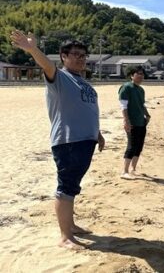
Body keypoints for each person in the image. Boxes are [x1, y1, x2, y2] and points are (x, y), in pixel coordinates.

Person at [10, 30, 105, 250]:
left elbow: (89, 110)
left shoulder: (84, 83)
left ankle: (70, 225)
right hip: (68, 142)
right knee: (66, 187)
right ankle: (65, 237)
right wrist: (32, 48)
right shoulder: (60, 77)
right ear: (63, 56)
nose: (80, 58)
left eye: (83, 55)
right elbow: (45, 65)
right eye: (75, 54)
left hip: (86, 140)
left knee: (73, 186)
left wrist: (98, 134)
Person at [119, 66, 150, 179]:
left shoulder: (141, 90)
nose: (141, 76)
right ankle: (125, 171)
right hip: (132, 122)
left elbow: (142, 104)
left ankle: (133, 169)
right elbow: (123, 105)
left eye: (142, 74)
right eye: (138, 74)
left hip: (141, 121)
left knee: (139, 146)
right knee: (131, 146)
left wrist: (147, 115)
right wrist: (126, 120)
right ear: (132, 75)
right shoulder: (126, 87)